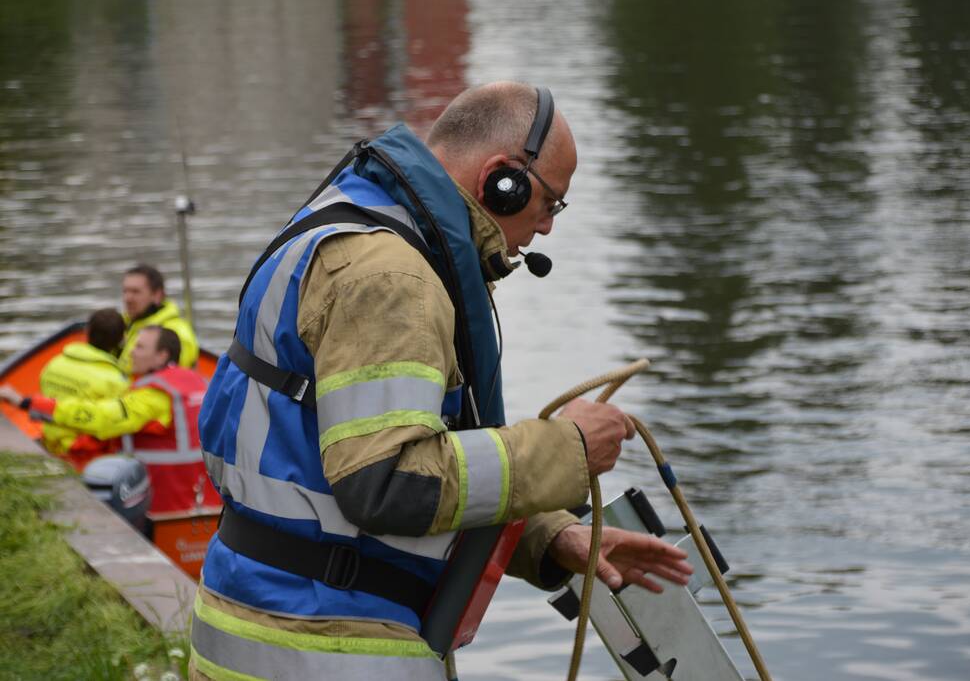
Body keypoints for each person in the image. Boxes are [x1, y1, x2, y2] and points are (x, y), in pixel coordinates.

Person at [191, 82, 693, 680]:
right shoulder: (393, 279)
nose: (548, 228)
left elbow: (346, 451)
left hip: (265, 619)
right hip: (329, 646)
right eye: (551, 203)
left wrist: (550, 537)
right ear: (503, 181)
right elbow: (387, 483)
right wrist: (567, 448)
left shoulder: (348, 224)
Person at [0, 326, 219, 517]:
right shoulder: (197, 382)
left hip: (161, 504)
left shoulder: (153, 397)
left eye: (140, 347)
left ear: (162, 355)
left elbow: (101, 419)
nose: (130, 352)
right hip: (204, 501)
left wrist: (28, 403)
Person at [38, 307, 129, 469]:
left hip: (50, 444)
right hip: (83, 455)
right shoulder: (115, 380)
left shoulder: (53, 364)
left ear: (87, 332)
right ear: (121, 339)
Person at [120, 263, 199, 374]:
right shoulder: (127, 325)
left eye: (135, 292)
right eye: (125, 291)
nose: (127, 298)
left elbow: (174, 377)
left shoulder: (176, 333)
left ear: (157, 295)